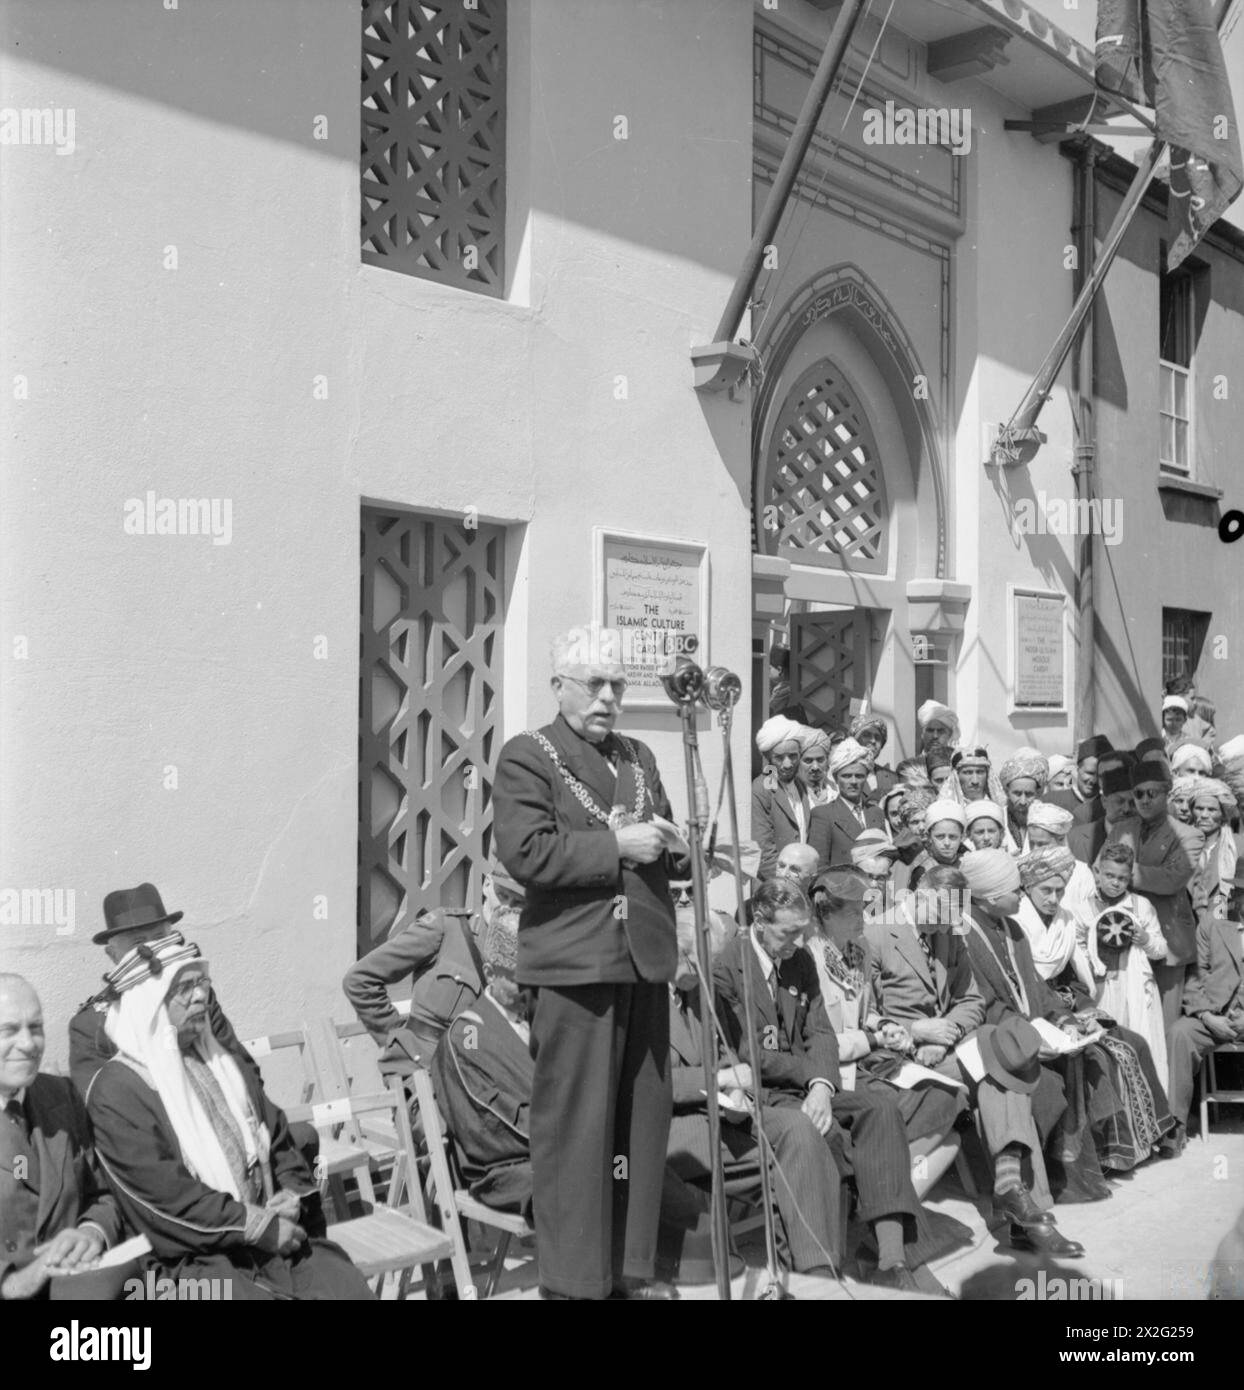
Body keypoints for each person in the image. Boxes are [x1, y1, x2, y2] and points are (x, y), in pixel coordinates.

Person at [492, 626, 687, 1300]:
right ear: (559, 688)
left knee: (641, 1122)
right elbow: (527, 853)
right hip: (573, 966)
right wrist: (616, 846)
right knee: (576, 1133)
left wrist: (677, 845)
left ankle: (629, 1270)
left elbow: (658, 835)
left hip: (643, 962)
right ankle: (575, 1282)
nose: (608, 698)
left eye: (617, 686)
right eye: (594, 685)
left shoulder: (638, 756)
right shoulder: (528, 756)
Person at [86, 938, 373, 1300]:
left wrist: (289, 1195)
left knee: (342, 1285)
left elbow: (279, 1138)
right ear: (150, 1004)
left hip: (271, 1238)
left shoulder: (224, 1061)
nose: (200, 998)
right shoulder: (118, 1091)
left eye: (201, 984)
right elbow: (166, 1199)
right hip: (190, 1260)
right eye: (184, 989)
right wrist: (255, 1226)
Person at [712, 879, 947, 1293]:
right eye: (788, 932)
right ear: (760, 923)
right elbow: (749, 1054)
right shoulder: (729, 969)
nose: (799, 941)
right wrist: (811, 1076)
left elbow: (820, 1033)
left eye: (803, 930)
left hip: (806, 1087)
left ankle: (891, 1261)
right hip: (761, 1093)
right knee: (834, 1139)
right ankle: (852, 1262)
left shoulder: (799, 960)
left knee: (879, 1109)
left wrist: (821, 1085)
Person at [864, 871, 1085, 1257]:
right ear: (920, 893)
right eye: (942, 914)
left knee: (1002, 1066)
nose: (948, 926)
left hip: (943, 1050)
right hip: (897, 1057)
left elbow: (972, 1001)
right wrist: (917, 1031)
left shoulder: (948, 931)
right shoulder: (876, 935)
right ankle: (1026, 1215)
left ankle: (1014, 1194)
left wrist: (946, 1032)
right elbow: (861, 1015)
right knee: (1003, 1063)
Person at [666, 906, 843, 1278]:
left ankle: (815, 1272)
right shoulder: (641, 999)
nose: (703, 974)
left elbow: (718, 1055)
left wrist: (733, 1085)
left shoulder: (697, 992)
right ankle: (808, 1271)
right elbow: (643, 1083)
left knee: (800, 1129)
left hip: (715, 1110)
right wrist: (717, 1079)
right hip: (668, 1127)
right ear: (670, 949)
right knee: (789, 1164)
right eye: (697, 962)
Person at [806, 869, 967, 1202]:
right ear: (826, 915)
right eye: (852, 911)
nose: (863, 917)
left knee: (947, 1100)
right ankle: (884, 1190)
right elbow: (821, 1040)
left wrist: (884, 1026)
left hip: (866, 1064)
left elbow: (865, 1012)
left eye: (864, 908)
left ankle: (882, 1185)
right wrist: (875, 1039)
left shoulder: (856, 951)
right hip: (834, 1075)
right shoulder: (810, 960)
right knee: (932, 1112)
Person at [1, 975, 124, 1301]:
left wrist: (91, 1233)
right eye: (8, 1030)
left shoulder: (62, 1095)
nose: (29, 1044)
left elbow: (102, 1194)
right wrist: (14, 1282)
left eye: (36, 1027)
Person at [343, 861, 523, 1065]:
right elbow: (359, 979)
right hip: (425, 1069)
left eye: (518, 902)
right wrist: (398, 1043)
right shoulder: (446, 927)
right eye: (502, 895)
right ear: (487, 885)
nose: (506, 907)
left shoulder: (527, 955)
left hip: (477, 1077)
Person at [431, 903, 535, 1219]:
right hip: (507, 1169)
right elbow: (492, 1130)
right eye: (520, 980)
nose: (532, 989)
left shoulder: (543, 1018)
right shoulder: (466, 1037)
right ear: (490, 973)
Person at [1106, 745, 1204, 1027]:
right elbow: (1101, 869)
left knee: (1164, 1026)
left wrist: (1122, 872)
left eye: (1153, 793)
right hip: (1123, 938)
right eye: (1139, 794)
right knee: (1127, 1022)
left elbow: (1172, 879)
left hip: (1168, 941)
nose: (1145, 800)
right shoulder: (1122, 829)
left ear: (1166, 793)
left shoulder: (1188, 835)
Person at [1066, 844, 1168, 1079]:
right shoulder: (1082, 908)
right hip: (1102, 988)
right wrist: (1093, 963)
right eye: (1109, 875)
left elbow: (1160, 950)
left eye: (1122, 878)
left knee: (1140, 1040)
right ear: (1097, 872)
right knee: (1107, 1043)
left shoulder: (1141, 906)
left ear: (1130, 878)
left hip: (1136, 988)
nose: (1115, 883)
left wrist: (1145, 939)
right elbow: (1077, 950)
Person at [1164, 856, 1244, 1151]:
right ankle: (1175, 1125)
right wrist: (1209, 1017)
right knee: (1180, 1033)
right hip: (1214, 1017)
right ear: (1237, 895)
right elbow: (1195, 977)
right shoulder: (1213, 927)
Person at [807, 738, 885, 867]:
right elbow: (819, 868)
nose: (853, 782)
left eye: (859, 776)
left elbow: (886, 861)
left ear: (866, 778)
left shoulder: (876, 813)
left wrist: (889, 888)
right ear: (836, 778)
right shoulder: (823, 815)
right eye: (847, 776)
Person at [752, 715, 811, 877]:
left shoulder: (800, 785)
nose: (787, 764)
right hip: (776, 886)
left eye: (793, 756)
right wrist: (787, 884)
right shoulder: (762, 788)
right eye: (779, 758)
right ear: (768, 758)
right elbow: (763, 853)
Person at [1069, 753, 1135, 868]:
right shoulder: (1076, 838)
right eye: (1119, 801)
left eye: (1132, 803)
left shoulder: (1152, 839)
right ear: (1104, 801)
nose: (1126, 809)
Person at [1046, 735, 1112, 825]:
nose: (1093, 780)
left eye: (1099, 774)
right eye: (1089, 773)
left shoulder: (1110, 808)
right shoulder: (1050, 801)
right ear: (1077, 768)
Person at [998, 748, 1050, 854]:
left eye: (1029, 794)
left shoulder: (1048, 821)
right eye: (1017, 794)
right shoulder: (997, 819)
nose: (1023, 801)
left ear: (1038, 793)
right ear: (1007, 792)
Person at [907, 799, 966, 892]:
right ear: (929, 836)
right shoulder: (922, 872)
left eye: (953, 837)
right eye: (940, 837)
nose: (947, 843)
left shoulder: (969, 865)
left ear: (961, 837)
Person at [850, 713, 897, 799]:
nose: (873, 741)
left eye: (877, 737)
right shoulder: (843, 773)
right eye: (866, 735)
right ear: (855, 740)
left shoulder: (892, 778)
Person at [798, 727, 836, 808]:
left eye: (820, 760)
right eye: (808, 761)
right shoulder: (788, 794)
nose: (815, 767)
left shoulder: (836, 790)